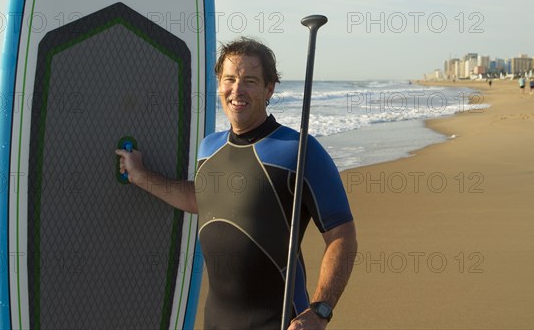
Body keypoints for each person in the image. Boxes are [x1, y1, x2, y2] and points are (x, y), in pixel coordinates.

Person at [116, 37, 357, 330]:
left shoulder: (298, 150)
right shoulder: (209, 148)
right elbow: (200, 199)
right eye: (229, 79)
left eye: (250, 81)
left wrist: (319, 311)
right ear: (219, 84)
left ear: (269, 89)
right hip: (217, 321)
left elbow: (342, 234)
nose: (237, 90)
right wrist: (141, 176)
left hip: (281, 322)